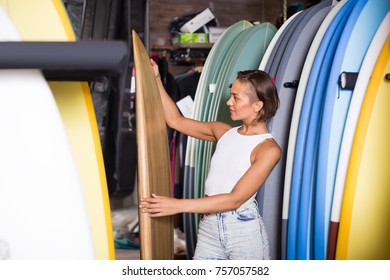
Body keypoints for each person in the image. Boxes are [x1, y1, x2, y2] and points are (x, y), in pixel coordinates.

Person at [139, 59, 281, 260]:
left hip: (242, 231)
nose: (228, 102)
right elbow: (175, 120)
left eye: (235, 97)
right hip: (209, 228)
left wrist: (176, 205)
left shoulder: (268, 149)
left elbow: (235, 199)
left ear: (257, 105)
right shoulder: (222, 131)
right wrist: (155, 79)